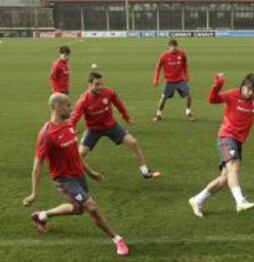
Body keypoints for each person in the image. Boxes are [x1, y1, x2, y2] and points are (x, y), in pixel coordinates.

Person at [23, 93, 129, 256]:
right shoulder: (47, 134)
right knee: (91, 206)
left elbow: (75, 154)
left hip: (78, 175)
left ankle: (42, 215)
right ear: (56, 107)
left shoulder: (69, 125)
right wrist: (33, 193)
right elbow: (37, 166)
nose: (71, 108)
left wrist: (90, 172)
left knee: (78, 209)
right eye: (67, 105)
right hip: (65, 179)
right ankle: (117, 239)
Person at [189, 73, 254, 217]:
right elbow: (212, 99)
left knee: (225, 178)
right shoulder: (232, 94)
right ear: (243, 85)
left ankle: (197, 200)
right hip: (226, 138)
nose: (250, 93)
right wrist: (218, 84)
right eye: (248, 89)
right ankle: (240, 201)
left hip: (238, 141)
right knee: (233, 166)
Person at [70, 72, 160, 179]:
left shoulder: (109, 92)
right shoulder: (83, 101)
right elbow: (73, 119)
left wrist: (126, 117)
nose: (100, 87)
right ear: (89, 85)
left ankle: (145, 172)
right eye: (97, 84)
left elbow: (119, 103)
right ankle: (72, 175)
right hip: (93, 129)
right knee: (79, 155)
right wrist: (69, 131)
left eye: (101, 84)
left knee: (133, 143)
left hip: (111, 126)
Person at [152, 39, 196, 122]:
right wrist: (156, 79)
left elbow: (185, 65)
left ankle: (188, 113)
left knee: (189, 95)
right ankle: (158, 114)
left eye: (175, 46)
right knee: (163, 98)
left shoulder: (182, 54)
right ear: (169, 47)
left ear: (177, 46)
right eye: (172, 46)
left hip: (180, 80)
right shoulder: (163, 56)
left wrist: (186, 75)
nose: (174, 48)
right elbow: (158, 68)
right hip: (169, 81)